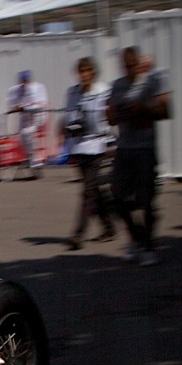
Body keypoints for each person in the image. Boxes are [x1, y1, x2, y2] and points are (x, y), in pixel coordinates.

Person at [107, 46, 172, 266]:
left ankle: (148, 245)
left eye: (132, 65)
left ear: (139, 64)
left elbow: (165, 112)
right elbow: (112, 118)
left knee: (145, 200)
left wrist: (143, 108)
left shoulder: (152, 83)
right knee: (117, 197)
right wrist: (113, 112)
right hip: (124, 148)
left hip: (145, 148)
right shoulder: (118, 85)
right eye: (125, 66)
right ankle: (136, 236)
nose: (129, 69)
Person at [63, 57, 116, 249]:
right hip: (78, 146)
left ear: (93, 72)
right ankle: (109, 227)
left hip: (96, 146)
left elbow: (107, 118)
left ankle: (78, 234)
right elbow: (68, 116)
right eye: (80, 71)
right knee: (93, 191)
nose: (83, 75)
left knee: (87, 192)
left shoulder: (103, 91)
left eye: (86, 71)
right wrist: (70, 128)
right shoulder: (72, 93)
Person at [7, 70, 48, 179]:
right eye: (22, 80)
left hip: (36, 117)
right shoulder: (17, 90)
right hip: (24, 118)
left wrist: (25, 108)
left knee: (32, 140)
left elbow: (40, 104)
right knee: (25, 140)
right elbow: (13, 103)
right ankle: (33, 163)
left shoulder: (38, 87)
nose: (24, 82)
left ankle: (37, 164)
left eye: (26, 80)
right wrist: (17, 107)